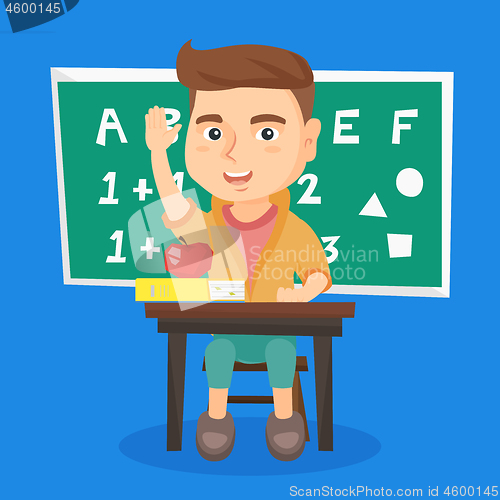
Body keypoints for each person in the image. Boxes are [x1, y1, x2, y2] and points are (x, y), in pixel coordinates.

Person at [145, 41, 331, 461]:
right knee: (218, 352)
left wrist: (302, 294)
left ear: (307, 142)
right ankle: (216, 418)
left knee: (283, 351)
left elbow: (319, 273)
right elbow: (172, 203)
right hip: (226, 329)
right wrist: (159, 154)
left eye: (266, 133)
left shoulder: (296, 230)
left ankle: (285, 419)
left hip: (275, 331)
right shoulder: (207, 225)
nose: (234, 153)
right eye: (213, 133)